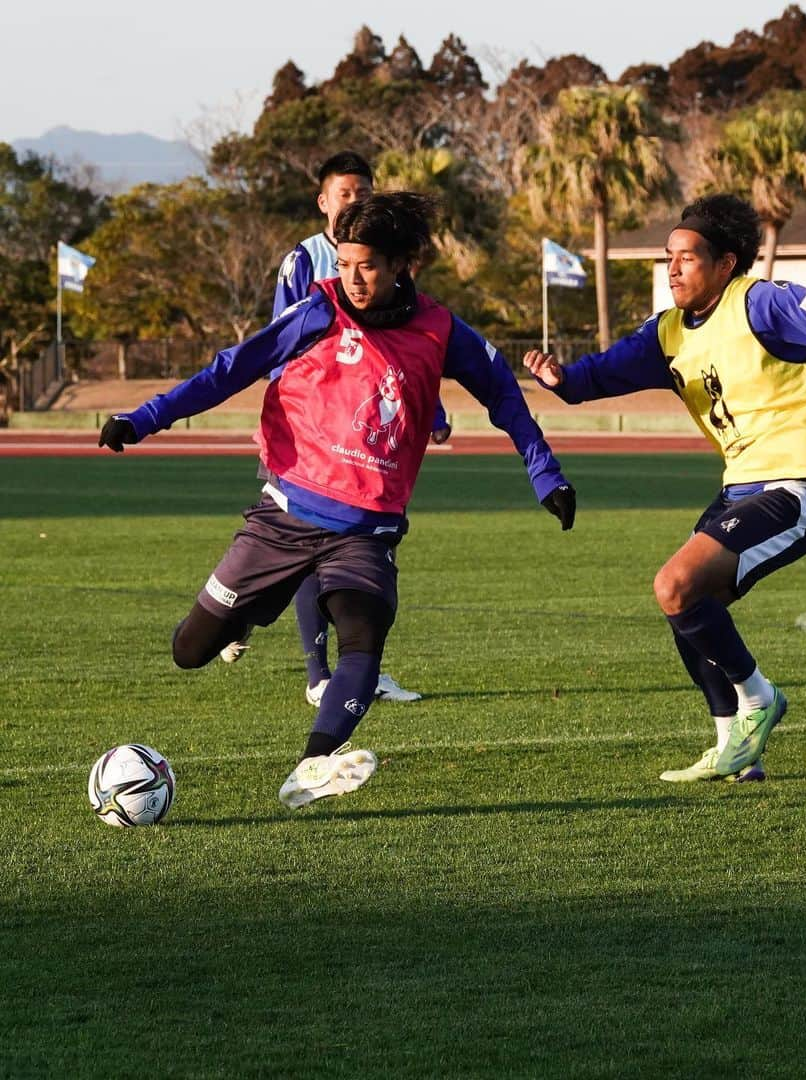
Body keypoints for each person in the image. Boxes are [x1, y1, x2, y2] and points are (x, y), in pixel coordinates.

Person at [100, 192, 576, 809]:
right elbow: (229, 369)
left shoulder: (439, 328)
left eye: (368, 266)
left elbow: (504, 398)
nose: (352, 277)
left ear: (404, 263)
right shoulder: (316, 311)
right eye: (344, 263)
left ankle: (312, 765)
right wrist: (144, 418)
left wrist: (546, 475)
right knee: (189, 651)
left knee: (363, 637)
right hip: (283, 518)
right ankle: (252, 612)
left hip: (366, 529)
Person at [523, 194, 806, 784]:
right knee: (686, 606)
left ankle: (761, 701)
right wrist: (563, 379)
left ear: (725, 263)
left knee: (675, 584)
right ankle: (733, 748)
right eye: (669, 257)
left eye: (687, 258)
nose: (673, 269)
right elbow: (602, 373)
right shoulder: (667, 333)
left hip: (795, 484)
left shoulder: (762, 302)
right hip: (738, 488)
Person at [220, 150, 450, 708]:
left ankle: (347, 665)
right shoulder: (304, 259)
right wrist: (302, 413)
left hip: (368, 432)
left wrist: (432, 412)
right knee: (305, 536)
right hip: (307, 429)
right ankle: (318, 673)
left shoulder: (384, 256)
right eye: (345, 192)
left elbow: (406, 352)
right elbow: (283, 342)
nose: (355, 200)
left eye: (363, 191)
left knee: (357, 554)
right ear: (322, 201)